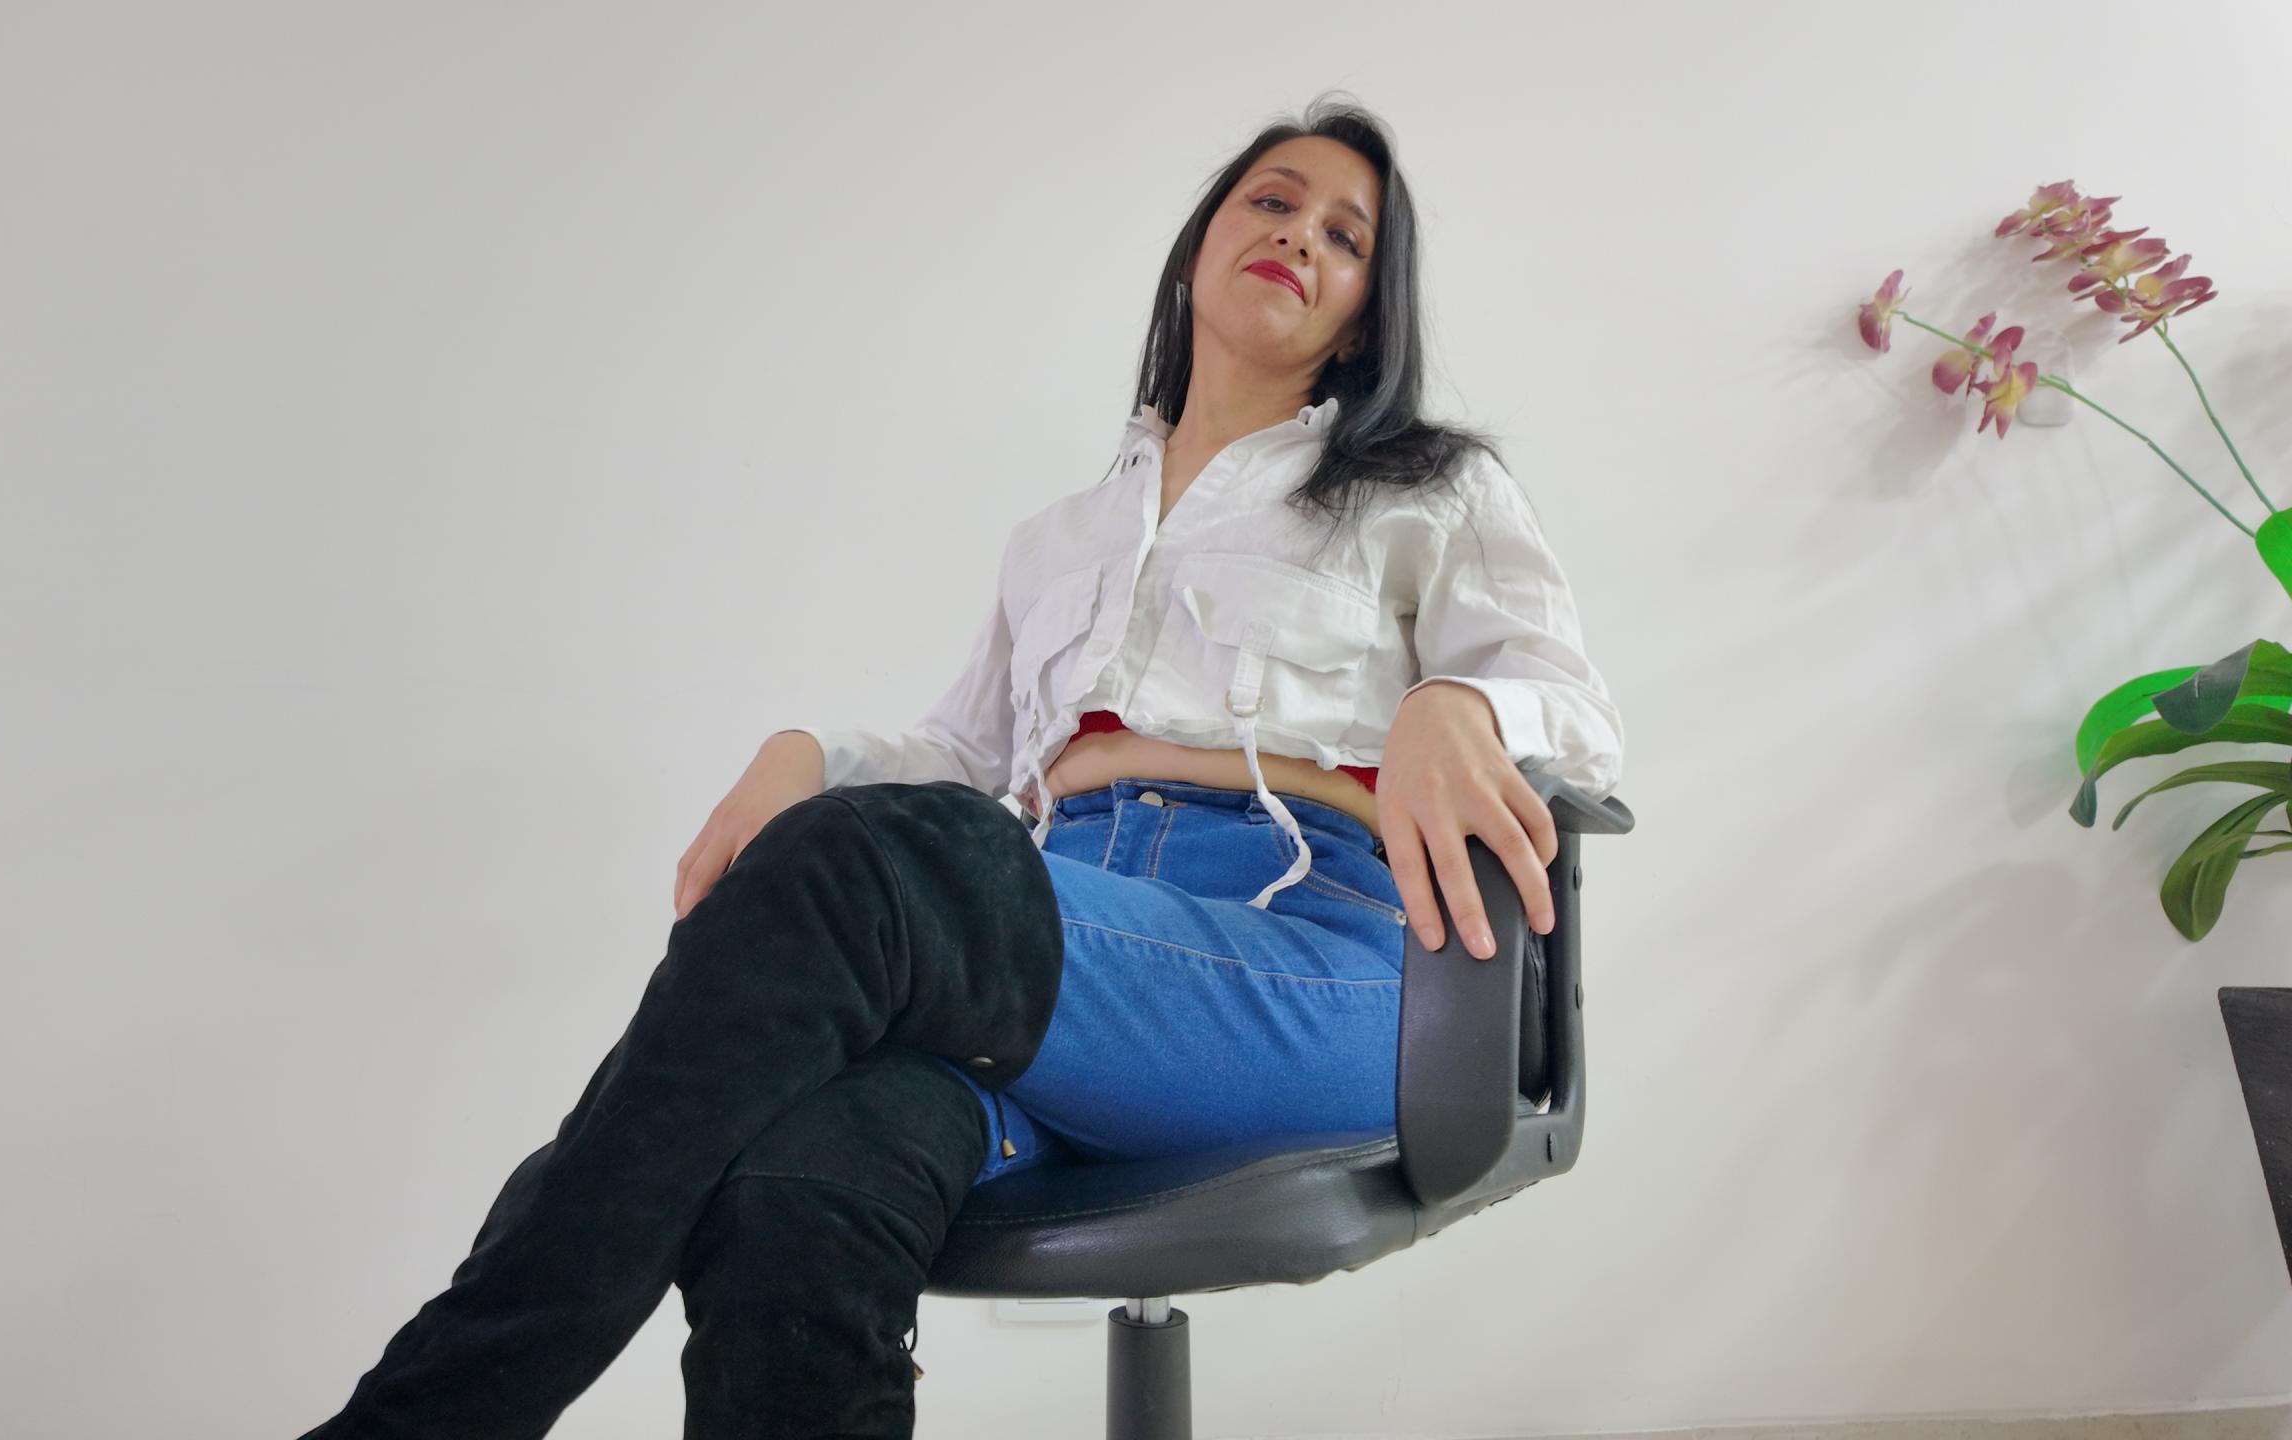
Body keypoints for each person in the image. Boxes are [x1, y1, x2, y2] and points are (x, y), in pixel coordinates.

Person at [296, 93, 1623, 1440]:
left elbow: (1571, 706)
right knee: (796, 1184)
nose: (1300, 236)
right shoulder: (1060, 540)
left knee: (881, 865)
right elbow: (962, 758)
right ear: (1200, 246)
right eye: (1272, 201)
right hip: (1061, 962)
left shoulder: (1425, 491)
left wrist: (1458, 702)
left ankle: (434, 1411)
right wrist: (805, 753)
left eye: (1346, 237)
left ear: (1363, 318)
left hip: (1307, 961)